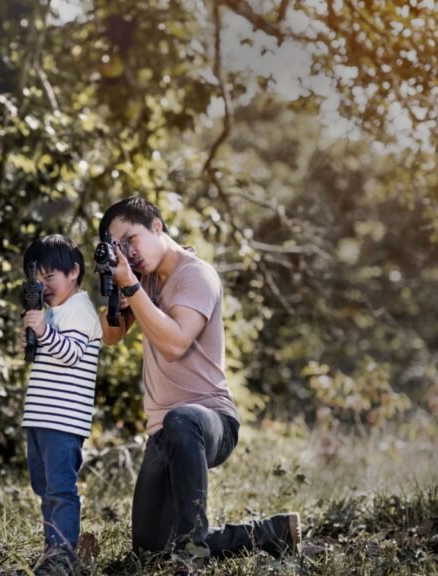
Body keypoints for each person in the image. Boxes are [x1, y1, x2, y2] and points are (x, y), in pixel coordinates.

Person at [97, 196, 300, 566]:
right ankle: (271, 532)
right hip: (164, 432)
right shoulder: (140, 280)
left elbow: (175, 343)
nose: (130, 253)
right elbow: (111, 336)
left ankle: (193, 554)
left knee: (182, 419)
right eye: (119, 248)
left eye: (132, 240)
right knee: (149, 548)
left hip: (210, 420)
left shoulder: (196, 274)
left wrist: (131, 288)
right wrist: (115, 289)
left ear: (157, 226)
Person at [19, 234, 103, 575]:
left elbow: (71, 354)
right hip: (41, 418)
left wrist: (44, 332)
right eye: (37, 279)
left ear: (74, 272)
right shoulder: (52, 312)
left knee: (60, 491)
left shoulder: (80, 309)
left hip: (63, 421)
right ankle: (52, 552)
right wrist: (31, 338)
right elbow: (48, 356)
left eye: (50, 276)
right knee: (45, 490)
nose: (43, 285)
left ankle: (63, 558)